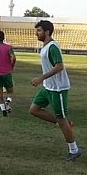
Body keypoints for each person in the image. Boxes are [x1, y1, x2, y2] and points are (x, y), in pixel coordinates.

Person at [29, 20, 81, 162]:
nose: (36, 33)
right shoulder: (46, 47)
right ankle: (61, 122)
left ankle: (74, 150)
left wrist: (41, 78)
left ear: (47, 32)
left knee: (62, 118)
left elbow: (59, 66)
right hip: (48, 87)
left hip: (57, 89)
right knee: (34, 110)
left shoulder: (52, 46)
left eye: (39, 30)